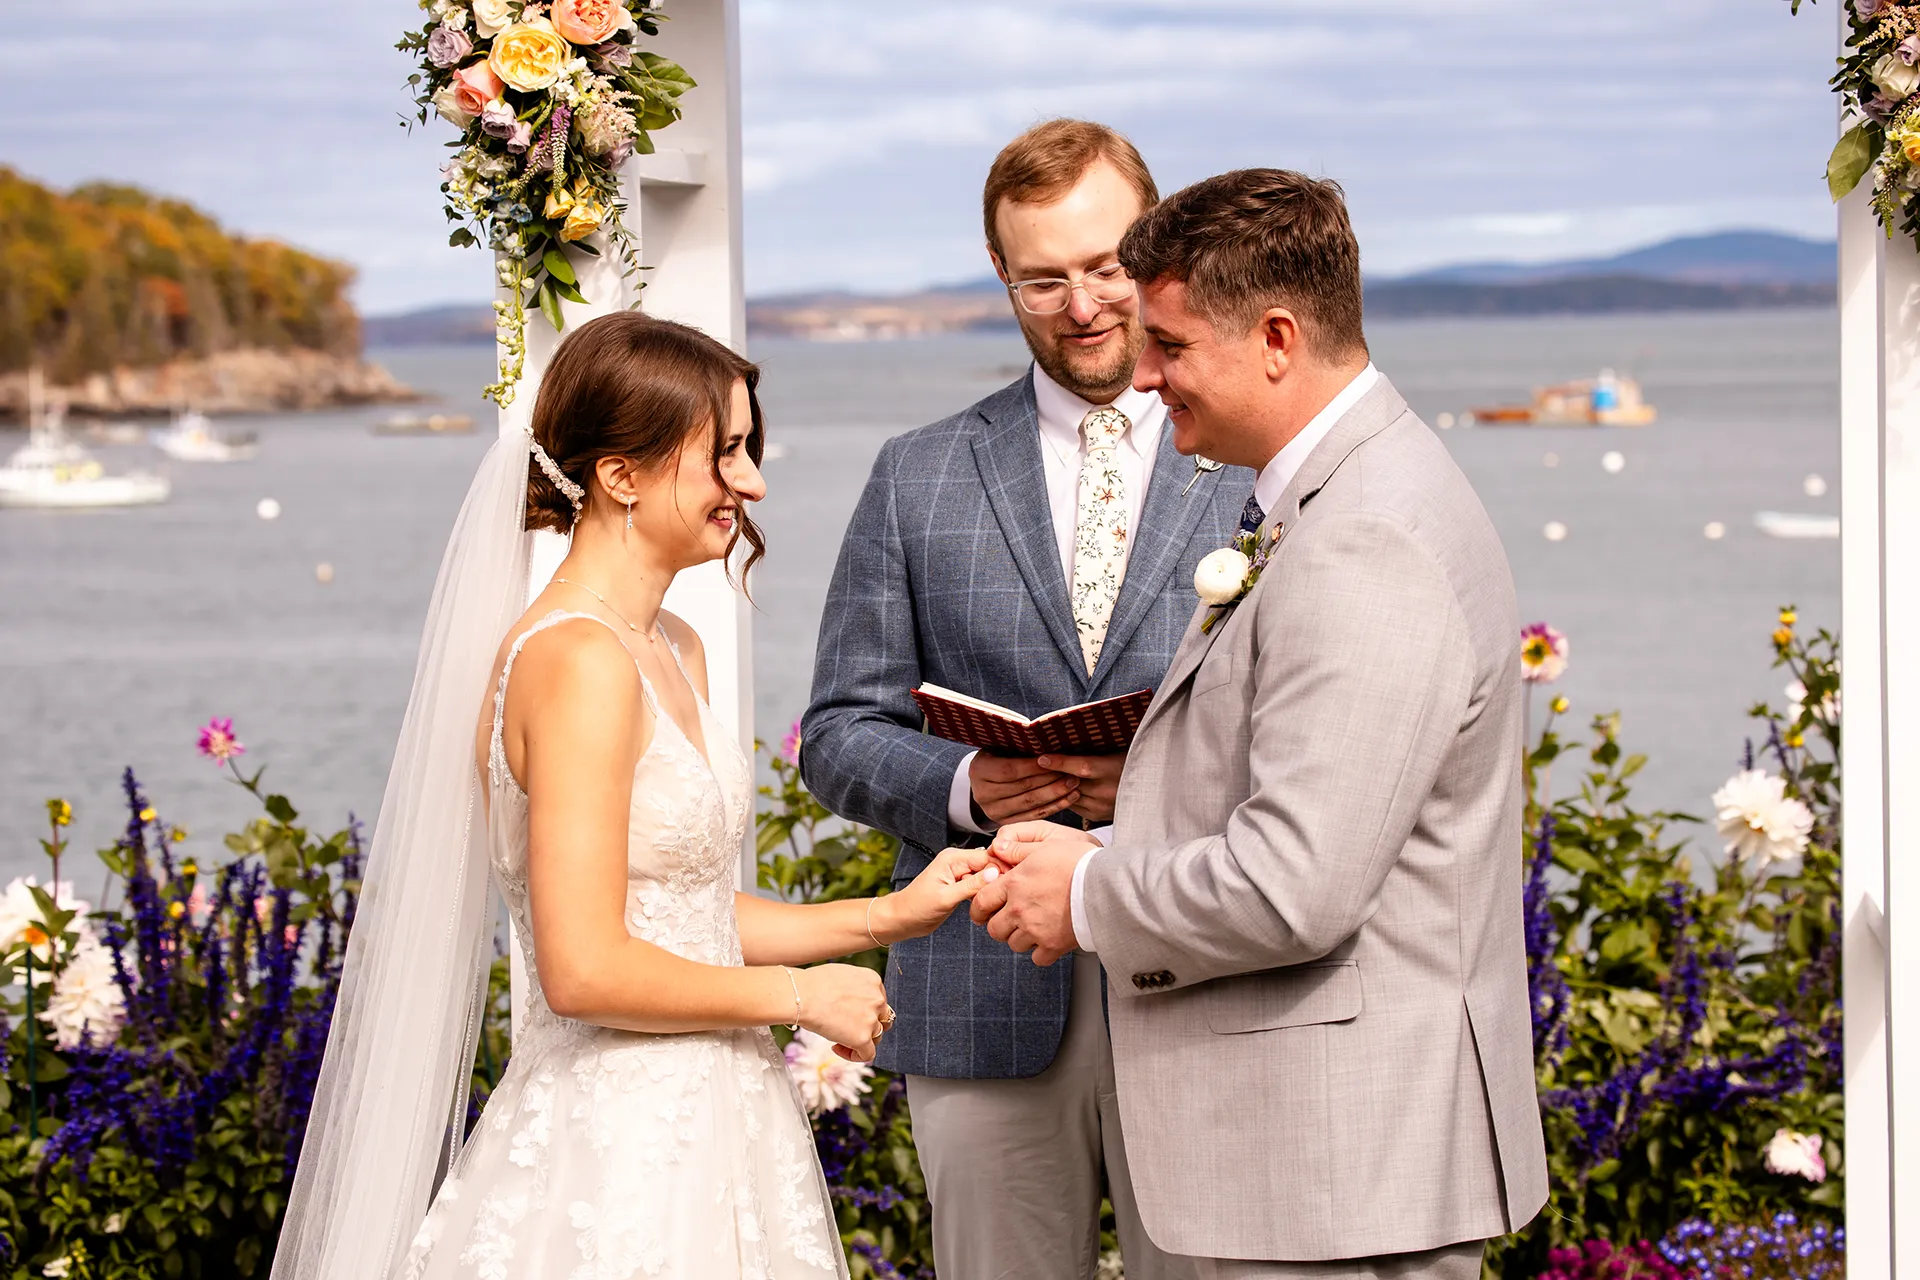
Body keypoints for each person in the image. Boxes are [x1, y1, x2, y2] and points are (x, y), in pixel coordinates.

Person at [271, 313, 996, 1280]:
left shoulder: (670, 647)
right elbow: (582, 967)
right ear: (621, 475)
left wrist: (891, 915)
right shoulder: (578, 661)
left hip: (718, 1115)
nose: (752, 483)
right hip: (619, 1142)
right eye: (725, 453)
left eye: (749, 449)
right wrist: (799, 998)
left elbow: (681, 910)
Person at [971, 170, 1551, 1280]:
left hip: (1343, 1178)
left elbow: (1299, 882)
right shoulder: (1335, 499)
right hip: (1327, 1168)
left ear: (1278, 336)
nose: (1143, 375)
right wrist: (1096, 847)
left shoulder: (1366, 537)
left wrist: (1088, 894)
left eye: (1172, 346)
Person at [801, 120, 1250, 1280]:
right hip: (980, 988)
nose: (1083, 305)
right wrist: (963, 784)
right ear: (1002, 275)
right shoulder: (917, 472)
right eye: (1044, 277)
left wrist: (1153, 774)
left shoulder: (1260, 461)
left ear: (1157, 250)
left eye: (1106, 267)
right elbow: (839, 730)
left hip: (1206, 975)